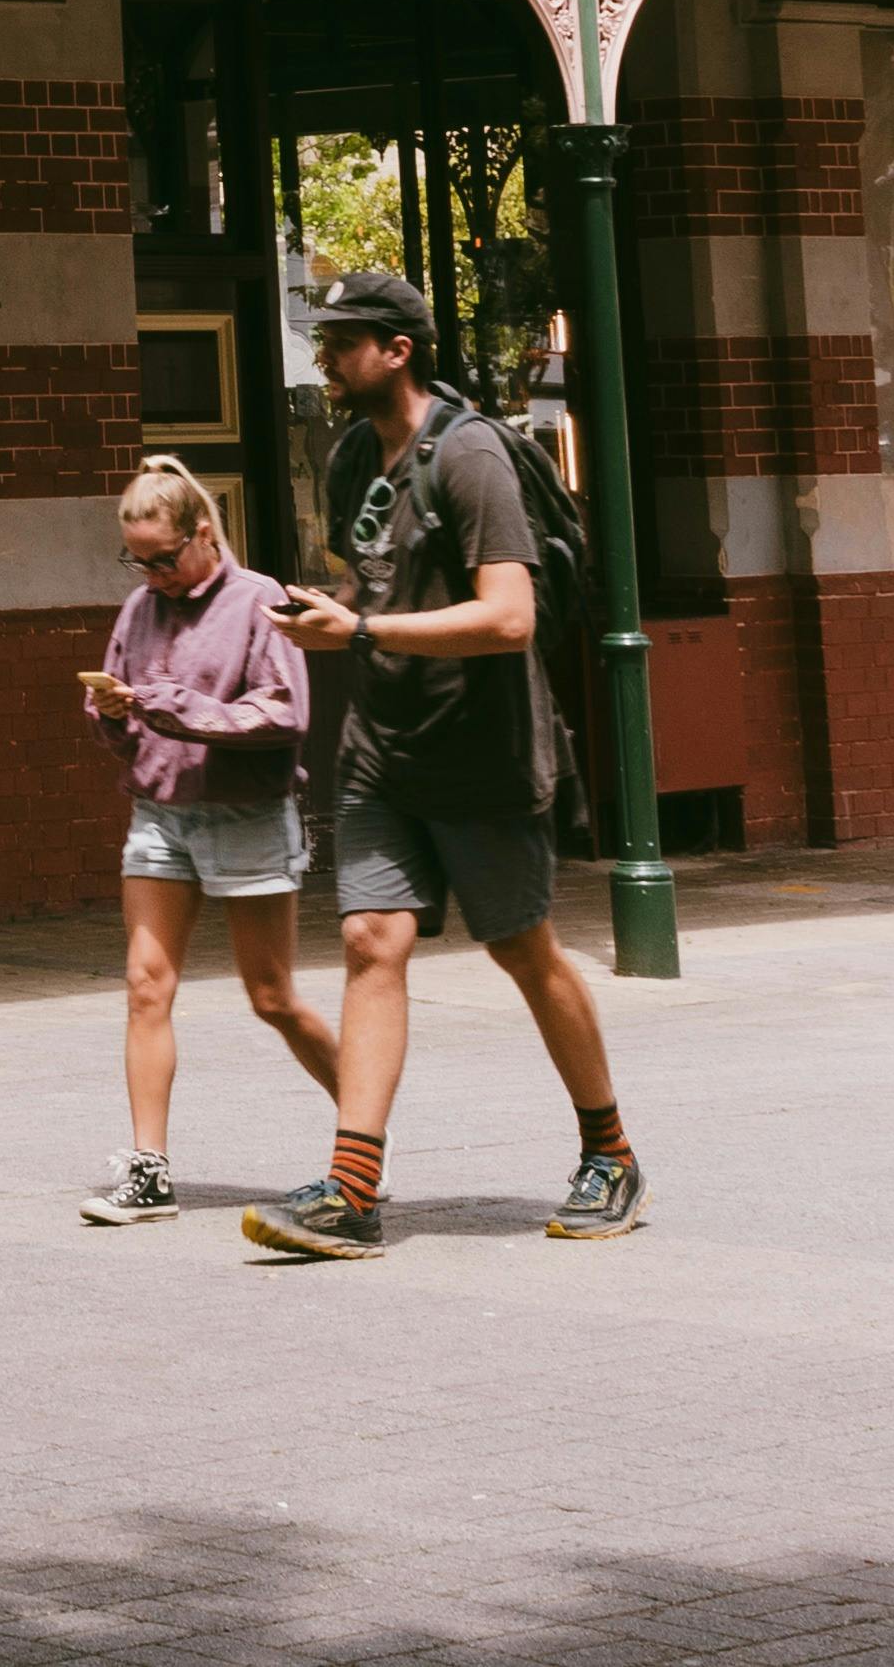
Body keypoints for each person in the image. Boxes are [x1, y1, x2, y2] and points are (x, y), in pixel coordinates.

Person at [248, 269, 642, 1257]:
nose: (327, 358)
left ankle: (611, 1152)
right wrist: (331, 608)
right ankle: (351, 1186)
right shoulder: (350, 459)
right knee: (371, 941)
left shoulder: (469, 458)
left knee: (523, 949)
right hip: (383, 749)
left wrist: (365, 625)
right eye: (324, 340)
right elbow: (372, 576)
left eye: (343, 341)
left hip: (485, 752)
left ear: (398, 349)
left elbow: (508, 616)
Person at [77, 456, 341, 1224]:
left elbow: (285, 713)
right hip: (161, 813)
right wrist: (117, 716)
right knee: (146, 985)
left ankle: (362, 1138)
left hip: (246, 814)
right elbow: (124, 717)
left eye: (164, 558)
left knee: (274, 997)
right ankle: (149, 1170)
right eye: (139, 559)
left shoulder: (260, 600)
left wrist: (175, 708)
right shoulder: (138, 608)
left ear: (203, 532)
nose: (153, 574)